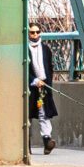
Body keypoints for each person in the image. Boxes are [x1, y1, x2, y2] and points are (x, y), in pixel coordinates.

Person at [28, 26, 57, 154]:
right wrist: (34, 80)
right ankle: (25, 146)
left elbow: (49, 68)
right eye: (32, 32)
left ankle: (47, 140)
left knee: (43, 113)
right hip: (30, 87)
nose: (35, 34)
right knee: (26, 115)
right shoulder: (24, 49)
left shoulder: (45, 49)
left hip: (44, 86)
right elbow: (22, 69)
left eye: (37, 32)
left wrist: (47, 83)